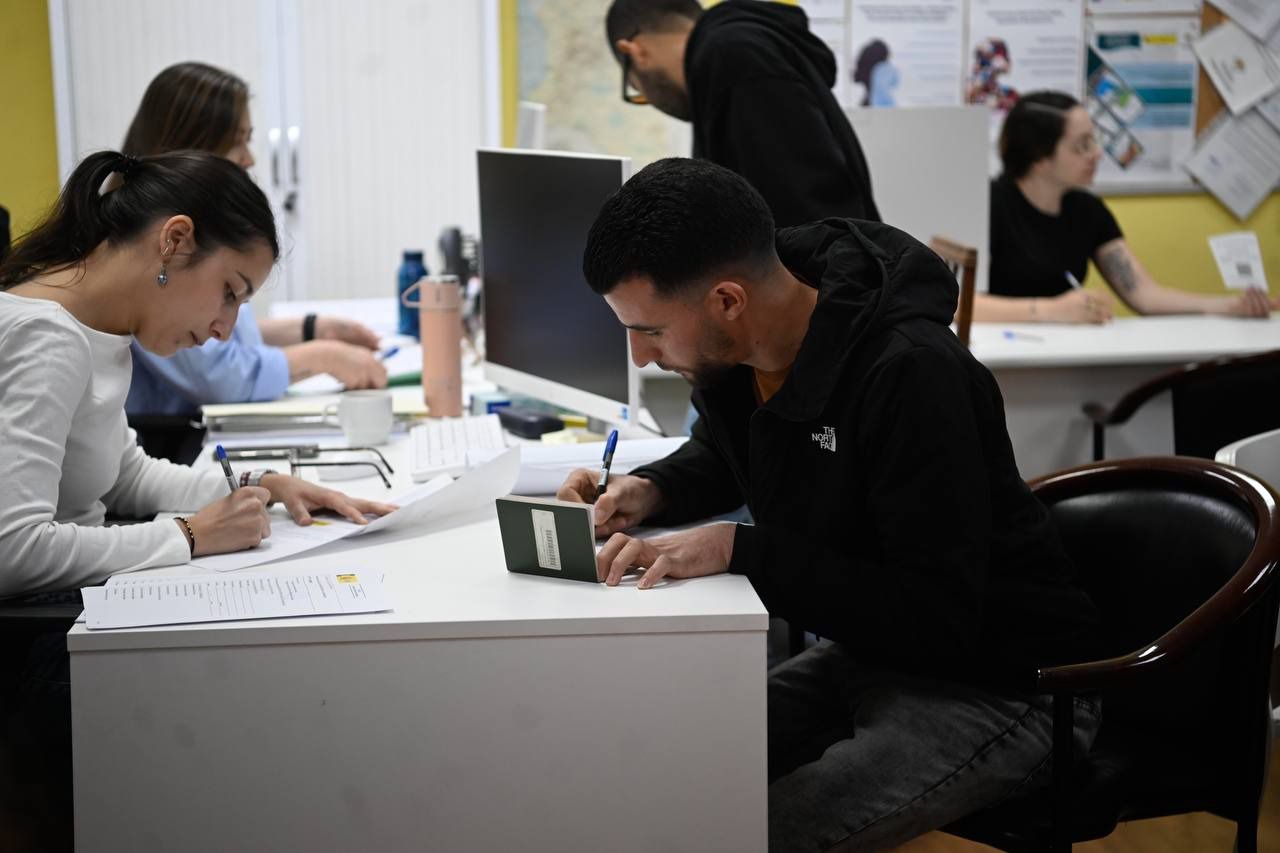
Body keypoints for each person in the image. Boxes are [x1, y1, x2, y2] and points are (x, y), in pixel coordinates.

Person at [556, 158, 1101, 850]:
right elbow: (735, 451)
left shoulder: (912, 373)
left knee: (749, 835)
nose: (640, 356)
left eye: (651, 330)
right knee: (665, 769)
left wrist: (739, 548)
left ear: (727, 302)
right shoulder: (739, 354)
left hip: (1009, 685)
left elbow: (936, 615)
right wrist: (652, 488)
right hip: (878, 655)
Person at [122, 62, 387, 426]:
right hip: (171, 435)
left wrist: (312, 329)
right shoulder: (159, 245)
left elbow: (217, 338)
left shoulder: (175, 232)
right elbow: (218, 376)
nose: (249, 158)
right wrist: (325, 356)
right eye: (238, 141)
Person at [976, 91, 1277, 324]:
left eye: (1095, 141)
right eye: (1082, 145)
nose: (1096, 154)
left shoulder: (1087, 210)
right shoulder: (986, 205)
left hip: (1063, 350)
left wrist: (1229, 306)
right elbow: (963, 306)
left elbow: (1145, 295)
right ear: (1039, 157)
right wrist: (1050, 310)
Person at [606, 0, 880, 227]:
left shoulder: (732, 57)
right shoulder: (743, 52)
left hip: (826, 276)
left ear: (635, 52)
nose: (652, 100)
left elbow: (801, 216)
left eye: (638, 89)